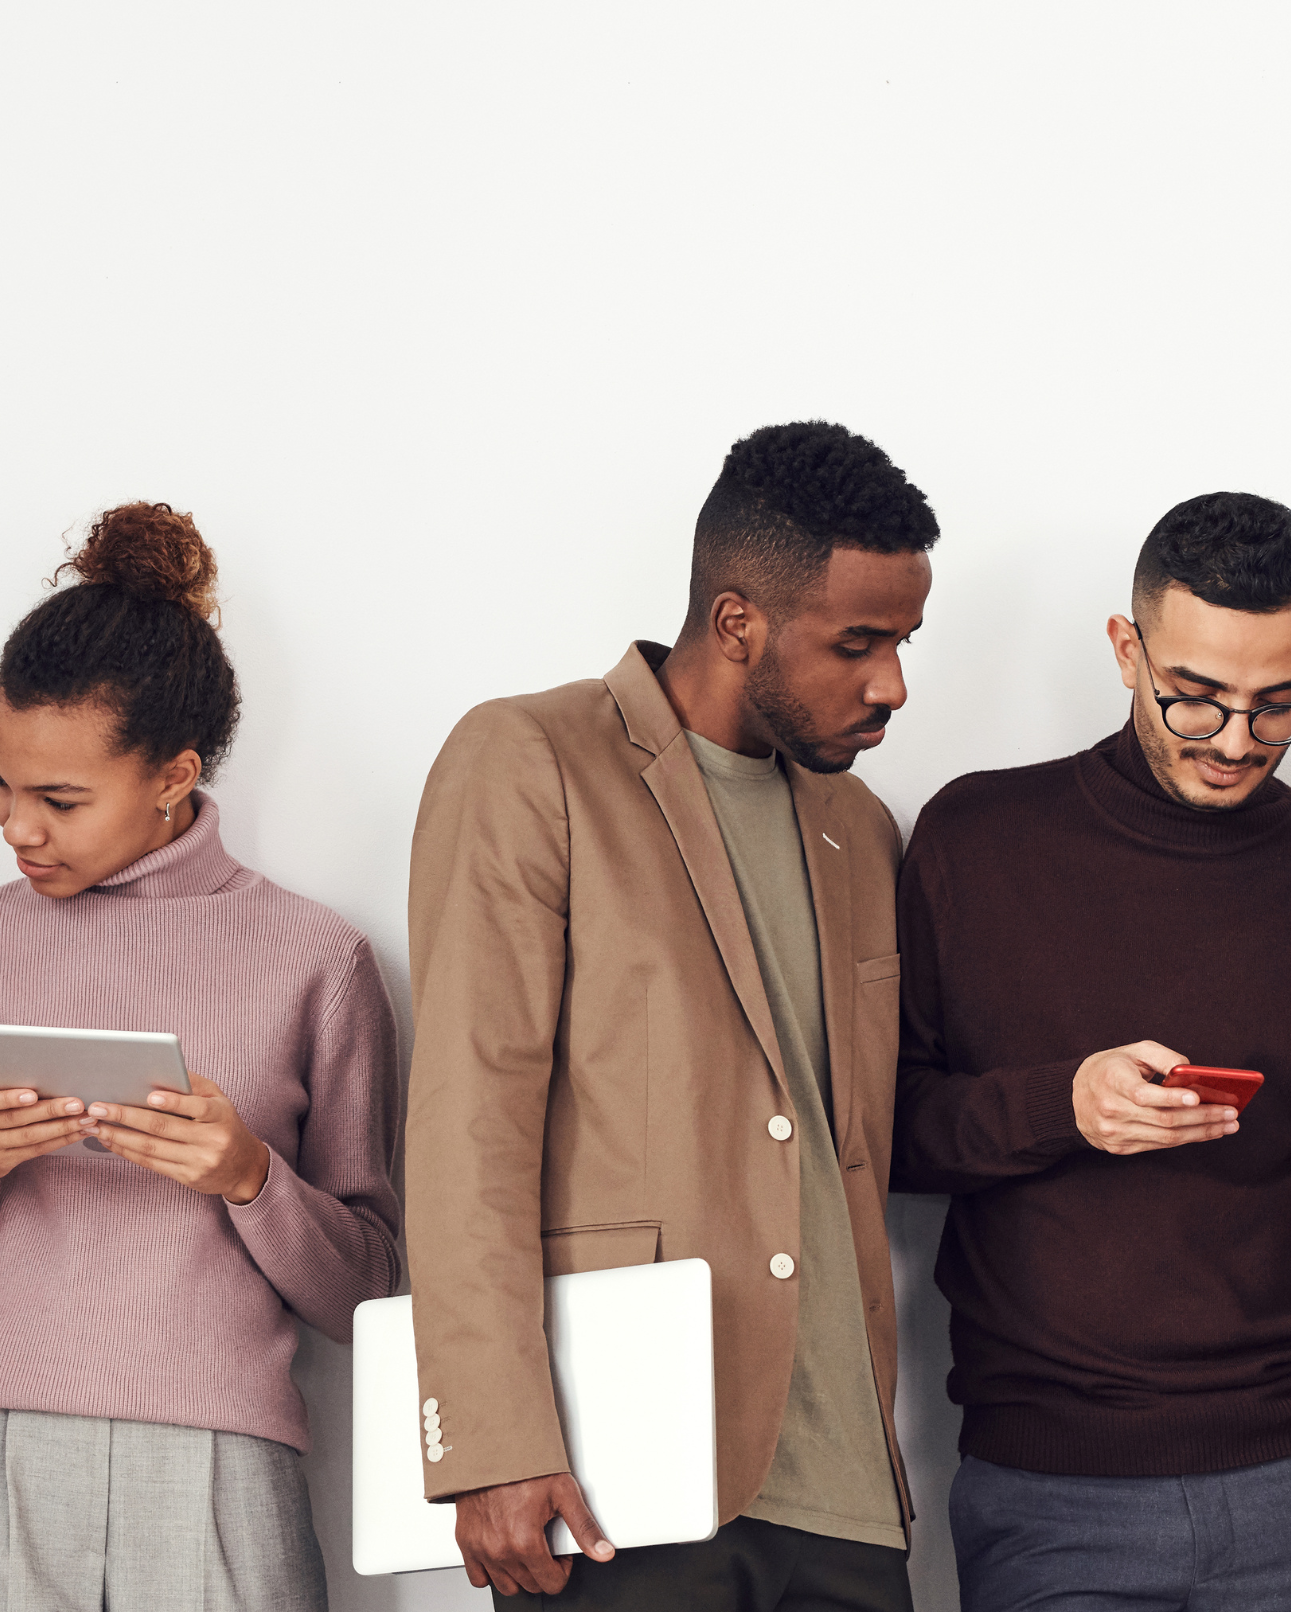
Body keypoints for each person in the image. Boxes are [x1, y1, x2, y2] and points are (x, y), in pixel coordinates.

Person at [407, 421, 938, 1611]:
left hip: (848, 1488)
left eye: (903, 640)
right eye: (858, 643)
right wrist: (489, 1439)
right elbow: (465, 1121)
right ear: (737, 619)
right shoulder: (527, 759)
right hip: (622, 1474)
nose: (892, 683)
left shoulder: (863, 831)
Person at [889, 492, 1291, 1611]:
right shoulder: (977, 839)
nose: (1235, 740)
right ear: (1126, 651)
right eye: (1195, 699)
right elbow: (883, 1132)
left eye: (1279, 704)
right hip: (1052, 1491)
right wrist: (1060, 1107)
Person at [0, 502, 400, 1612]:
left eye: (59, 799)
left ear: (173, 775)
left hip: (221, 1460)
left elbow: (371, 1288)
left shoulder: (317, 957)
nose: (16, 826)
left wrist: (249, 1176)